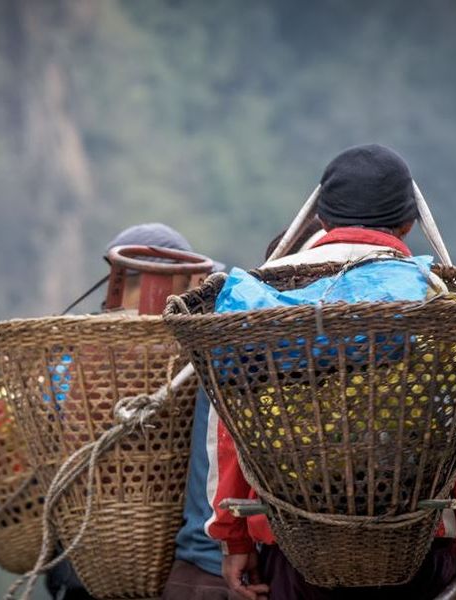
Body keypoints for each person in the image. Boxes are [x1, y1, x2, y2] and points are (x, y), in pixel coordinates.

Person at [207, 145, 456, 600]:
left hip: (292, 551)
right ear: (407, 223)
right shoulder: (436, 295)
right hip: (413, 548)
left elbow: (233, 430)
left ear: (322, 220)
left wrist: (234, 539)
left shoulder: (263, 290)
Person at [47, 221, 219, 600]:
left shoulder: (73, 353)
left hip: (107, 562)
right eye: (185, 281)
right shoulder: (91, 357)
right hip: (107, 561)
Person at [162, 223, 322, 600]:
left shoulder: (241, 346)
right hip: (221, 570)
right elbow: (230, 457)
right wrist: (235, 546)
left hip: (200, 565)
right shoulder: (258, 360)